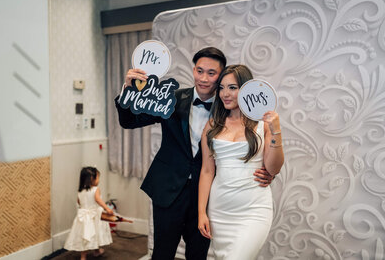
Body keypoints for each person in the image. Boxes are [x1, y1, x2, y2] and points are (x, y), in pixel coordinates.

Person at [115, 47, 275, 260]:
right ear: (193, 70)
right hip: (168, 189)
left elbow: (250, 145)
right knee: (162, 254)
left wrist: (267, 172)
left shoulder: (229, 105)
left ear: (220, 76)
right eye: (200, 71)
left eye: (211, 73)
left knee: (198, 256)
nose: (204, 78)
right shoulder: (169, 98)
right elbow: (129, 121)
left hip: (208, 197)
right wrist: (128, 90)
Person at [198, 64, 284, 259]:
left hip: (253, 210)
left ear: (246, 90)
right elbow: (207, 171)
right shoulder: (213, 124)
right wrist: (201, 212)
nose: (224, 94)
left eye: (232, 88)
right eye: (221, 87)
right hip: (219, 210)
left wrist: (276, 130)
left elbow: (273, 168)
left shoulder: (263, 124)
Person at [64, 167, 114, 260]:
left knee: (85, 235)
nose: (99, 180)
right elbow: (98, 200)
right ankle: (96, 251)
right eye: (98, 177)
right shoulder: (96, 189)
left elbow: (79, 202)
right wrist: (107, 208)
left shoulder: (80, 191)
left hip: (83, 216)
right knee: (95, 233)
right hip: (94, 216)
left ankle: (84, 256)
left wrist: (85, 207)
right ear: (92, 178)